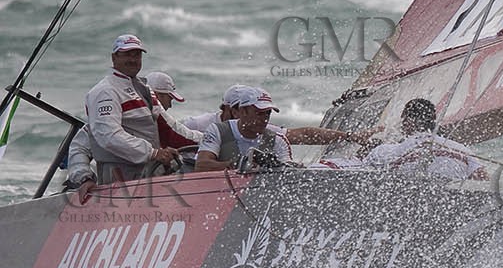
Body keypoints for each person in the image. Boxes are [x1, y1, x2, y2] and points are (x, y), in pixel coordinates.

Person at [82, 33, 182, 182]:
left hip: (147, 174)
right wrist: (153, 153)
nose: (133, 60)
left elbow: (172, 128)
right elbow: (110, 136)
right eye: (127, 54)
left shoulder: (143, 88)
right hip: (119, 178)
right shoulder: (105, 91)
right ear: (114, 57)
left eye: (137, 55)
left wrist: (207, 139)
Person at [185, 85, 373, 147]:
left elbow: (304, 135)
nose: (237, 115)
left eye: (264, 113)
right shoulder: (198, 124)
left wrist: (350, 137)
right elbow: (170, 133)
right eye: (235, 109)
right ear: (226, 108)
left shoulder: (257, 127)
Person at [357, 98, 485, 180]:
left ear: (408, 122)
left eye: (403, 119)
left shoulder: (385, 151)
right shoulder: (463, 150)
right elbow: (482, 179)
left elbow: (358, 172)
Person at [193, 87, 293, 172]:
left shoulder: (278, 140)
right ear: (243, 111)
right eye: (259, 113)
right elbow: (201, 166)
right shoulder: (217, 131)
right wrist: (239, 164)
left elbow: (289, 172)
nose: (265, 119)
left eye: (268, 113)